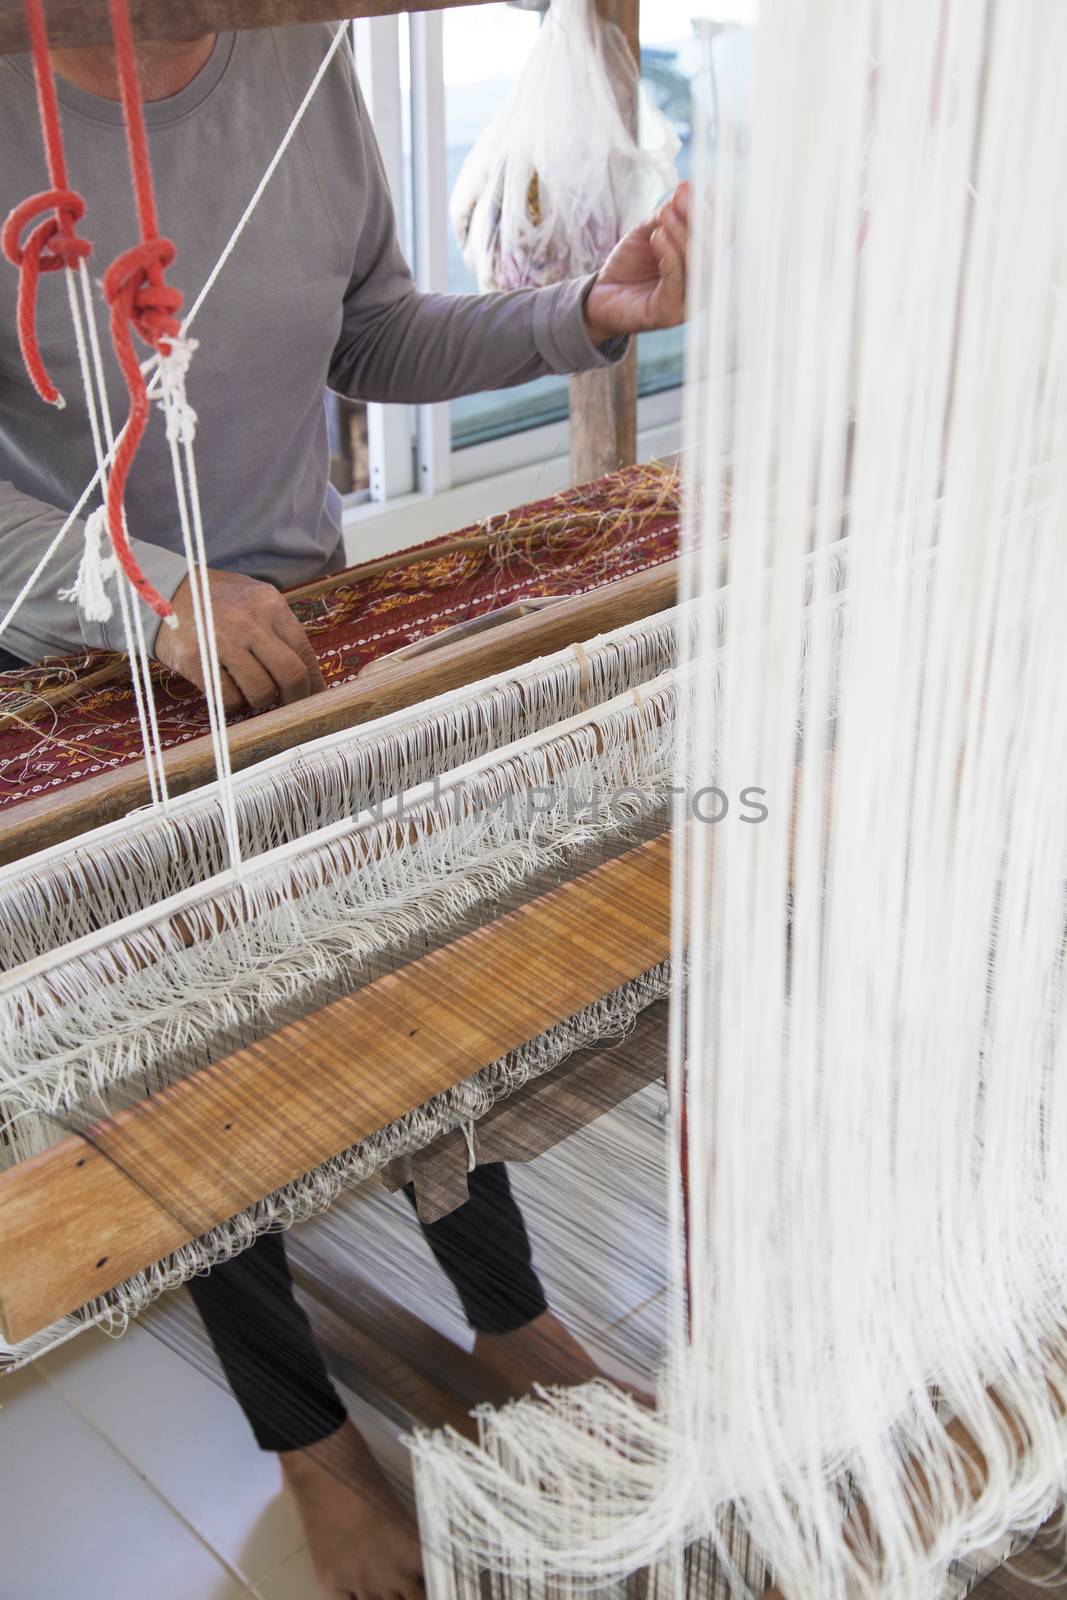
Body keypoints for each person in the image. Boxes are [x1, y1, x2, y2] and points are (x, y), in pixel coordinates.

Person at [0, 25, 689, 1599]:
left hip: (305, 631)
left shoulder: (300, 62)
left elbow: (366, 331)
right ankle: (306, 1437)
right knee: (192, 1057)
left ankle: (505, 1315)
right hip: (77, 676)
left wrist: (591, 315)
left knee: (409, 979)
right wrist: (153, 596)